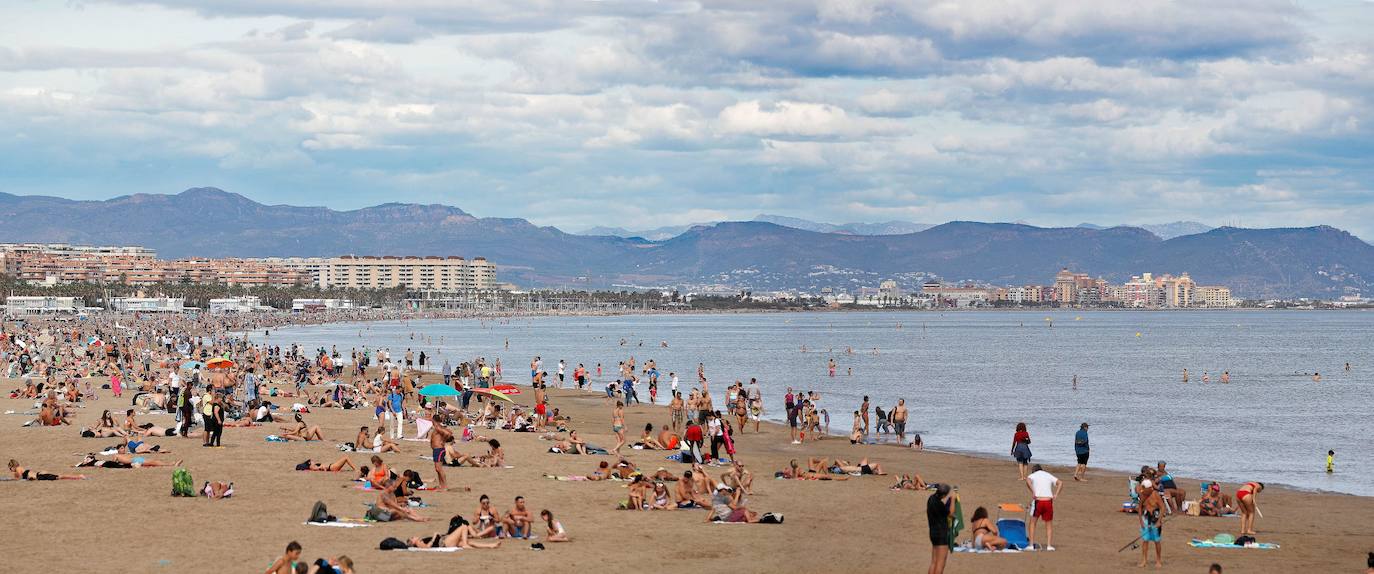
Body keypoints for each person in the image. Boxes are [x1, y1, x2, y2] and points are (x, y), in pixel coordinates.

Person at [1025, 464, 1061, 551]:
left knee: (1032, 523)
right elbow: (1060, 483)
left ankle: (1031, 545)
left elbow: (1028, 480)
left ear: (1034, 471)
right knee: (1048, 524)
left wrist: (1033, 491)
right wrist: (1056, 494)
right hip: (1048, 501)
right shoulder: (1048, 475)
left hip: (1038, 501)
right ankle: (1049, 545)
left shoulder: (1033, 475)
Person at [1136, 474, 1165, 567]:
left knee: (1157, 541)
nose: (1143, 491)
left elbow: (1162, 508)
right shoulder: (1143, 494)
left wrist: (1159, 521)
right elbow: (1140, 507)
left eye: (1145, 489)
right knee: (1145, 540)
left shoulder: (1155, 495)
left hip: (1155, 518)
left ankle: (1158, 560)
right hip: (1145, 519)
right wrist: (1141, 521)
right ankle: (1144, 560)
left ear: (1150, 488)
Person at [927, 483, 953, 574]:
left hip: (933, 533)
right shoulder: (939, 504)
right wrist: (953, 500)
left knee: (933, 562)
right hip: (941, 534)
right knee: (940, 563)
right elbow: (951, 513)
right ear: (944, 495)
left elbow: (942, 509)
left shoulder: (931, 499)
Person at [428, 420, 453, 491]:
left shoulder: (437, 427)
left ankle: (445, 486)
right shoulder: (439, 427)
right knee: (437, 469)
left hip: (439, 450)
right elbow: (449, 432)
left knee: (439, 469)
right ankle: (441, 485)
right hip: (436, 450)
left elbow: (448, 433)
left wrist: (443, 440)